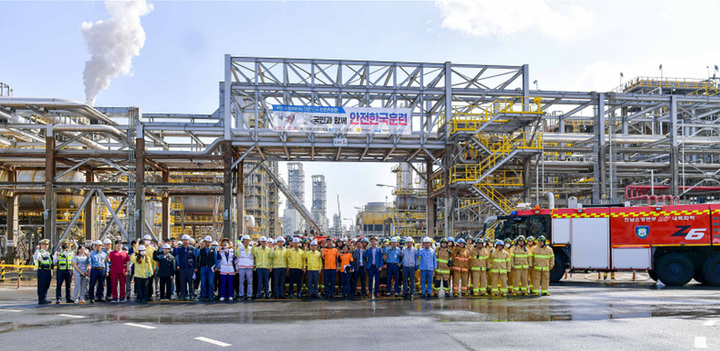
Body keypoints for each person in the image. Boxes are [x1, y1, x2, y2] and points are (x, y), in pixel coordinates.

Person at [174, 234, 196, 301]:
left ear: (188, 241)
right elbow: (175, 256)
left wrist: (195, 267)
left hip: (190, 267)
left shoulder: (192, 249)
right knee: (182, 282)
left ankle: (191, 295)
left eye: (186, 240)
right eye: (184, 240)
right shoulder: (179, 249)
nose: (185, 241)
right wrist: (177, 265)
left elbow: (195, 258)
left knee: (190, 282)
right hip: (182, 268)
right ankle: (183, 295)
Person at [53, 239, 74, 304]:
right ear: (61, 245)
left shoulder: (71, 252)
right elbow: (54, 262)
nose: (65, 245)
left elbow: (73, 262)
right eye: (63, 244)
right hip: (61, 270)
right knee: (59, 285)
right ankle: (58, 298)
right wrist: (57, 256)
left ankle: (68, 298)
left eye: (66, 244)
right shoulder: (57, 252)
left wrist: (73, 270)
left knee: (68, 285)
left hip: (69, 270)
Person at [197, 236, 218, 301]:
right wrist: (197, 247)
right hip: (203, 268)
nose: (208, 243)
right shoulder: (201, 250)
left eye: (209, 242)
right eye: (207, 242)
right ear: (204, 242)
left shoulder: (214, 250)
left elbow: (216, 259)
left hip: (210, 268)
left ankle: (210, 295)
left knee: (211, 282)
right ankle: (203, 295)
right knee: (203, 282)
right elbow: (196, 254)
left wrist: (216, 266)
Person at [34, 239, 53, 305]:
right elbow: (36, 258)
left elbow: (50, 263)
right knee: (41, 285)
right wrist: (37, 250)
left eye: (47, 244)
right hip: (42, 271)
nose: (46, 246)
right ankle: (41, 299)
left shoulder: (48, 253)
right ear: (41, 245)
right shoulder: (39, 252)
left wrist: (51, 270)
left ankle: (44, 298)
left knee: (46, 285)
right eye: (44, 244)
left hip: (48, 271)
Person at [236, 235, 254, 301]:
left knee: (250, 282)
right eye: (246, 240)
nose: (247, 241)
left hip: (249, 267)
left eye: (248, 240)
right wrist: (237, 248)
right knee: (241, 282)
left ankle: (249, 295)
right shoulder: (240, 248)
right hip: (242, 267)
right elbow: (237, 255)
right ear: (243, 241)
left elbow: (254, 254)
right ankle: (241, 295)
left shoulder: (251, 248)